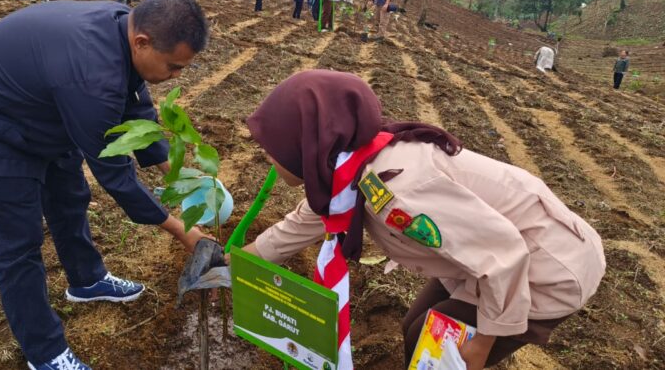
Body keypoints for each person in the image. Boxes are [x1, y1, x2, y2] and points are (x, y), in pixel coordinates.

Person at [234, 70, 606, 370]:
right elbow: (301, 224)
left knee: (437, 349)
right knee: (416, 327)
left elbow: (505, 255)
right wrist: (233, 265)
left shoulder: (397, 191)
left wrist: (482, 342)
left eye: (274, 147)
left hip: (546, 269)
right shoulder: (349, 169)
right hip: (485, 258)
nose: (269, 156)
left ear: (306, 145)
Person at [0, 0, 213, 370]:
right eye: (173, 67)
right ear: (142, 42)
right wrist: (183, 231)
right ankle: (45, 353)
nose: (176, 77)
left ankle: (87, 280)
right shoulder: (92, 78)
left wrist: (179, 176)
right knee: (17, 244)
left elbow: (136, 104)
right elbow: (116, 175)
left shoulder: (123, 27)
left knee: (69, 196)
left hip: (37, 105)